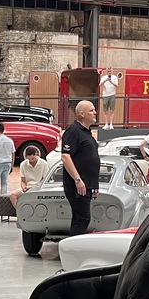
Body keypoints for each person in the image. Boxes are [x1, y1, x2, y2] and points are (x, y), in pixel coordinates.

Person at [61, 100, 100, 235]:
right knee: (83, 219)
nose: (95, 112)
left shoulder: (87, 132)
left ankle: (72, 250)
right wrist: (78, 180)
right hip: (78, 186)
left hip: (86, 185)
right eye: (91, 110)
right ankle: (73, 250)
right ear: (82, 114)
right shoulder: (73, 131)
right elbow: (66, 157)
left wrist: (94, 184)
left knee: (80, 218)